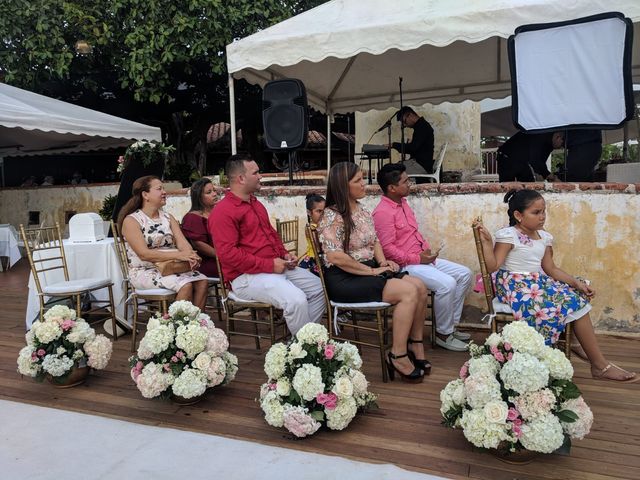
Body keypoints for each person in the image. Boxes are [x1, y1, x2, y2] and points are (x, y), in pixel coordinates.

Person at [474, 189, 637, 383]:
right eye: (536, 212)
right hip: (515, 286)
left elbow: (550, 268)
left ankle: (590, 356)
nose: (542, 217)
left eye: (544, 211)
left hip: (537, 283)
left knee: (577, 295)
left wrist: (577, 283)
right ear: (518, 215)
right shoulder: (508, 235)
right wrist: (487, 242)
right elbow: (493, 266)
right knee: (565, 301)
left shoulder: (544, 237)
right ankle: (596, 362)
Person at [317, 161, 430, 383]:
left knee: (420, 286)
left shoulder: (361, 210)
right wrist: (372, 271)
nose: (364, 184)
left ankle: (415, 344)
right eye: (358, 180)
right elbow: (335, 257)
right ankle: (397, 355)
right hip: (344, 278)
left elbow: (375, 241)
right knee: (407, 292)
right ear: (343, 185)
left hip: (367, 269)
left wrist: (383, 262)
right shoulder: (331, 215)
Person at [208, 154, 325, 335]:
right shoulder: (223, 212)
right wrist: (270, 264)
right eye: (256, 173)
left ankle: (303, 344)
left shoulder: (255, 203)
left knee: (319, 289)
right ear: (241, 178)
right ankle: (306, 351)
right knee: (296, 300)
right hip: (244, 277)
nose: (260, 176)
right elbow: (228, 255)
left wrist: (285, 254)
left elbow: (271, 234)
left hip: (272, 267)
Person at [373, 163, 472, 351]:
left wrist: (426, 251)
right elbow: (387, 250)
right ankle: (442, 334)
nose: (410, 183)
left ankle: (450, 326)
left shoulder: (403, 203)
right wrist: (419, 259)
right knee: (447, 284)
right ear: (392, 188)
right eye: (405, 181)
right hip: (405, 267)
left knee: (464, 274)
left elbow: (413, 233)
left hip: (421, 259)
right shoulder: (382, 213)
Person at [118, 175, 208, 310]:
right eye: (159, 189)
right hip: (145, 271)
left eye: (163, 188)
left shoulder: (167, 217)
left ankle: (194, 324)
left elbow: (183, 243)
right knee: (186, 284)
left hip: (170, 267)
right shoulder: (132, 221)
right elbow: (144, 254)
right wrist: (178, 255)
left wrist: (190, 255)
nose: (164, 192)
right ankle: (176, 326)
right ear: (145, 195)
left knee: (202, 281)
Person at [181, 177, 218, 278]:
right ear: (199, 197)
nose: (214, 194)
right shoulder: (193, 218)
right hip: (208, 262)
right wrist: (221, 256)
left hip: (227, 256)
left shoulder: (219, 212)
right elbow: (199, 245)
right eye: (209, 192)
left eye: (214, 190)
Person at [496, 131, 564, 182]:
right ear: (558, 136)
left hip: (521, 161)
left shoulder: (550, 145)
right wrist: (549, 175)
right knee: (507, 187)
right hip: (506, 158)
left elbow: (541, 162)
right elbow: (535, 160)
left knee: (529, 184)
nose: (562, 148)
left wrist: (546, 175)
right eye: (562, 144)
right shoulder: (541, 135)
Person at [388, 106, 435, 179]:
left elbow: (413, 148)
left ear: (410, 115)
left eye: (404, 122)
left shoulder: (422, 127)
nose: (404, 125)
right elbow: (416, 147)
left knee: (392, 171)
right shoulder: (421, 126)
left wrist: (393, 145)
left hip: (421, 165)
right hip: (419, 163)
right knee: (394, 167)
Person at [298, 193, 325, 275]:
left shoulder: (322, 226)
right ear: (309, 212)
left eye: (325, 211)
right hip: (315, 259)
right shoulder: (311, 228)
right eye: (319, 211)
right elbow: (319, 248)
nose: (323, 214)